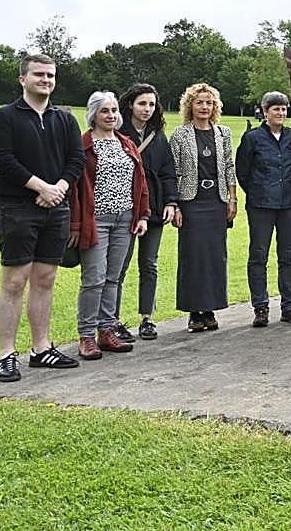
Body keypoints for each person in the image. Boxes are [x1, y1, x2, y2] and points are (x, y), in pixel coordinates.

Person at [0, 54, 84, 381]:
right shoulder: (5, 117)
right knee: (14, 282)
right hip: (16, 208)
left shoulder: (65, 119)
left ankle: (41, 349)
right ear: (23, 79)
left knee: (45, 279)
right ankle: (6, 354)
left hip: (56, 208)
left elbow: (76, 160)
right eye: (39, 74)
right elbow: (0, 159)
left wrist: (59, 188)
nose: (46, 80)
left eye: (50, 75)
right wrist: (41, 187)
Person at [68, 91, 150, 359]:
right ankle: (86, 336)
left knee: (113, 278)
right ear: (93, 114)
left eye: (114, 110)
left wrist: (142, 215)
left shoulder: (126, 143)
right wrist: (76, 224)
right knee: (94, 279)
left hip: (125, 220)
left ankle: (107, 330)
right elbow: (75, 189)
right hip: (96, 221)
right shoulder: (83, 145)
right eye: (105, 111)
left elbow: (140, 181)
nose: (111, 115)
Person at [170, 83, 237, 333]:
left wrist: (232, 199)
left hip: (216, 201)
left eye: (209, 102)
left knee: (215, 257)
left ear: (215, 106)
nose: (204, 107)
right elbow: (173, 172)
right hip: (191, 202)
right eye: (199, 102)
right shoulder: (180, 134)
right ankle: (194, 312)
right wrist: (175, 205)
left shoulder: (223, 133)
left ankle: (210, 309)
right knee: (193, 257)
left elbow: (229, 167)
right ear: (190, 105)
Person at [115, 82, 178, 341]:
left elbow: (168, 172)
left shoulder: (158, 135)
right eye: (142, 103)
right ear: (130, 104)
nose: (147, 109)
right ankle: (112, 321)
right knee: (119, 266)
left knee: (149, 264)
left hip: (154, 206)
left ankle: (146, 318)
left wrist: (171, 202)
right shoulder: (117, 132)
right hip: (126, 207)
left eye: (151, 104)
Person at [236, 91, 291, 328]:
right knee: (258, 255)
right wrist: (258, 190)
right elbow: (243, 171)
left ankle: (289, 306)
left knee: (288, 257)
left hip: (290, 205)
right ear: (265, 112)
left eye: (284, 109)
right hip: (261, 205)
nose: (281, 113)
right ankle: (261, 307)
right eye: (276, 109)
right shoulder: (252, 138)